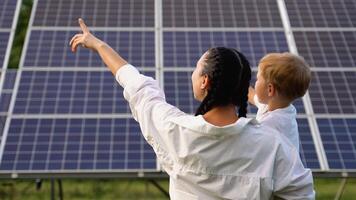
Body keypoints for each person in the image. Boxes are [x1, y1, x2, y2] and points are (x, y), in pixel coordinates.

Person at [70, 18, 315, 200]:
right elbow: (302, 194)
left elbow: (139, 87)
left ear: (204, 81)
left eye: (197, 68)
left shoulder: (175, 131)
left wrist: (100, 46)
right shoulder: (274, 146)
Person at [248, 53, 311, 152]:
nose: (255, 82)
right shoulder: (279, 106)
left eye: (258, 79)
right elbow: (252, 96)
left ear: (270, 90)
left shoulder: (268, 126)